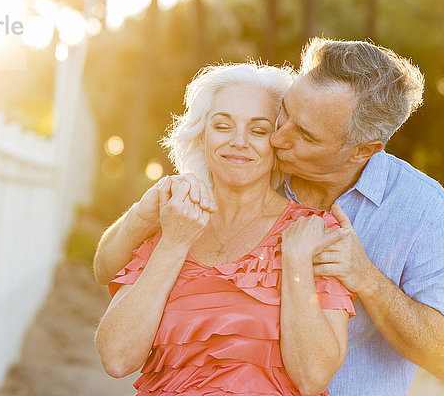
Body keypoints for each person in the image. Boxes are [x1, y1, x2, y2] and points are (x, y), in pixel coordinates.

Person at [94, 38, 444, 396]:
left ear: (363, 150)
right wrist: (144, 219)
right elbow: (106, 275)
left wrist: (366, 278)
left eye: (304, 134)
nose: (276, 138)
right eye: (284, 115)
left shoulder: (424, 212)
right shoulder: (236, 179)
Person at [94, 63, 356, 396]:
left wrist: (296, 263)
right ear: (201, 136)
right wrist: (174, 243)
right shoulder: (175, 220)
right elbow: (116, 358)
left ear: (278, 144)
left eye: (258, 130)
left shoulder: (312, 232)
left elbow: (312, 377)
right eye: (222, 126)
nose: (238, 142)